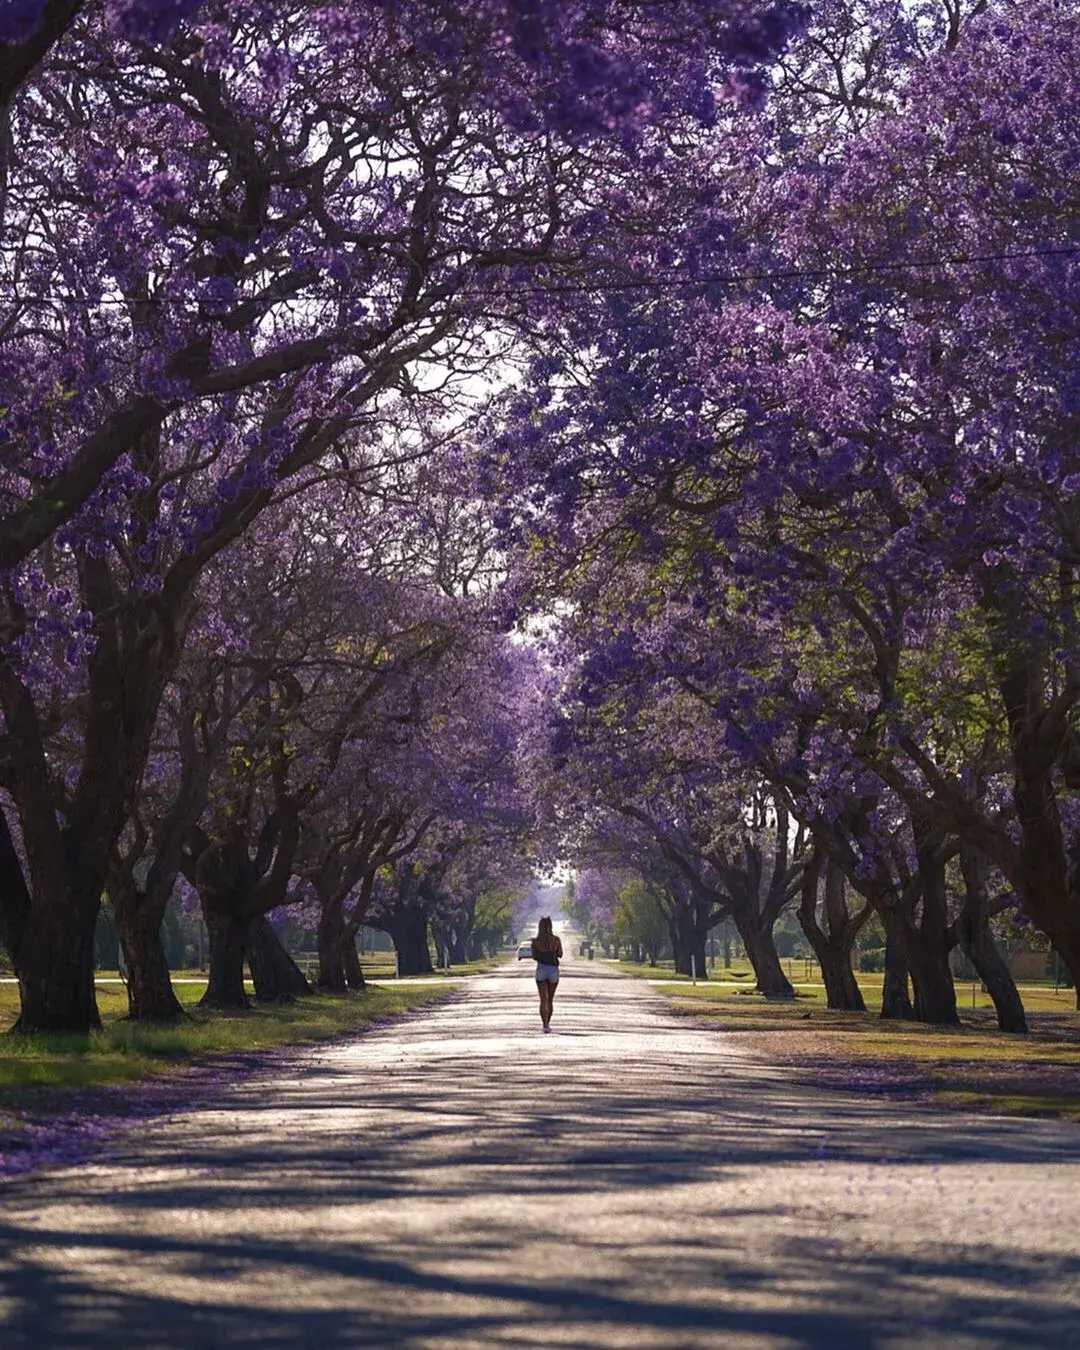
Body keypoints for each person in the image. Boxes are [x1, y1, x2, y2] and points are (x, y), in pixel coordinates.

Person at [531, 916, 563, 1031]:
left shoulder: (535, 941)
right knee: (550, 999)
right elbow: (560, 954)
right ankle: (548, 1022)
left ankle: (544, 1024)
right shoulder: (556, 940)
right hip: (553, 970)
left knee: (543, 999)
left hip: (541, 969)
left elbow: (534, 957)